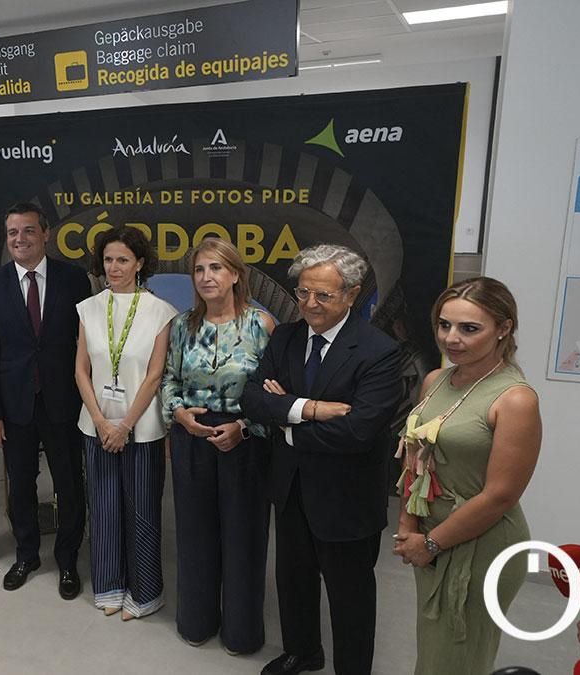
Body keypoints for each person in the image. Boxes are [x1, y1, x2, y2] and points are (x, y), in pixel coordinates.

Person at [240, 243, 403, 675]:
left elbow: (357, 431)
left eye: (324, 295)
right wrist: (309, 409)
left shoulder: (379, 351)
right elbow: (253, 399)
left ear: (351, 295)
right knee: (293, 580)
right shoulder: (287, 337)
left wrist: (286, 418)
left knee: (350, 595)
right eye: (303, 292)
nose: (310, 304)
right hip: (291, 486)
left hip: (346, 498)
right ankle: (302, 651)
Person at [391, 276, 541, 675]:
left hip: (483, 544)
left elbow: (500, 497)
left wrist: (432, 544)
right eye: (444, 325)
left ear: (503, 328)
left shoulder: (515, 399)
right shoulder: (435, 380)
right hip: (431, 534)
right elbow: (416, 457)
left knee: (459, 655)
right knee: (435, 647)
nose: (451, 338)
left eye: (469, 328)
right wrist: (408, 524)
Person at [160, 237, 273, 649]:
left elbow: (270, 392)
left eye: (216, 268)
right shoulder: (182, 326)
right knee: (194, 535)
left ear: (236, 275)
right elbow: (169, 379)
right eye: (199, 269)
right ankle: (196, 621)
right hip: (192, 436)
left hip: (245, 441)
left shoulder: (260, 325)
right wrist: (178, 413)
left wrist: (244, 426)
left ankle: (242, 633)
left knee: (244, 538)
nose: (207, 277)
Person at [0, 202, 91, 598]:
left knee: (69, 483)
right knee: (20, 484)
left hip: (63, 402)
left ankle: (68, 558)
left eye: (27, 231)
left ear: (45, 234)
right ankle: (26, 555)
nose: (19, 239)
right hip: (14, 405)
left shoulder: (74, 280)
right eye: (12, 233)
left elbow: (85, 347)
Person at [75, 226, 177, 619]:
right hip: (96, 425)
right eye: (107, 260)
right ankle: (109, 584)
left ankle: (146, 592)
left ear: (139, 264)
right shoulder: (89, 308)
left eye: (122, 260)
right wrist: (102, 421)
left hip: (143, 428)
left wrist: (124, 426)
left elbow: (153, 376)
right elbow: (81, 370)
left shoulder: (160, 311)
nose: (113, 268)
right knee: (102, 507)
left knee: (142, 511)